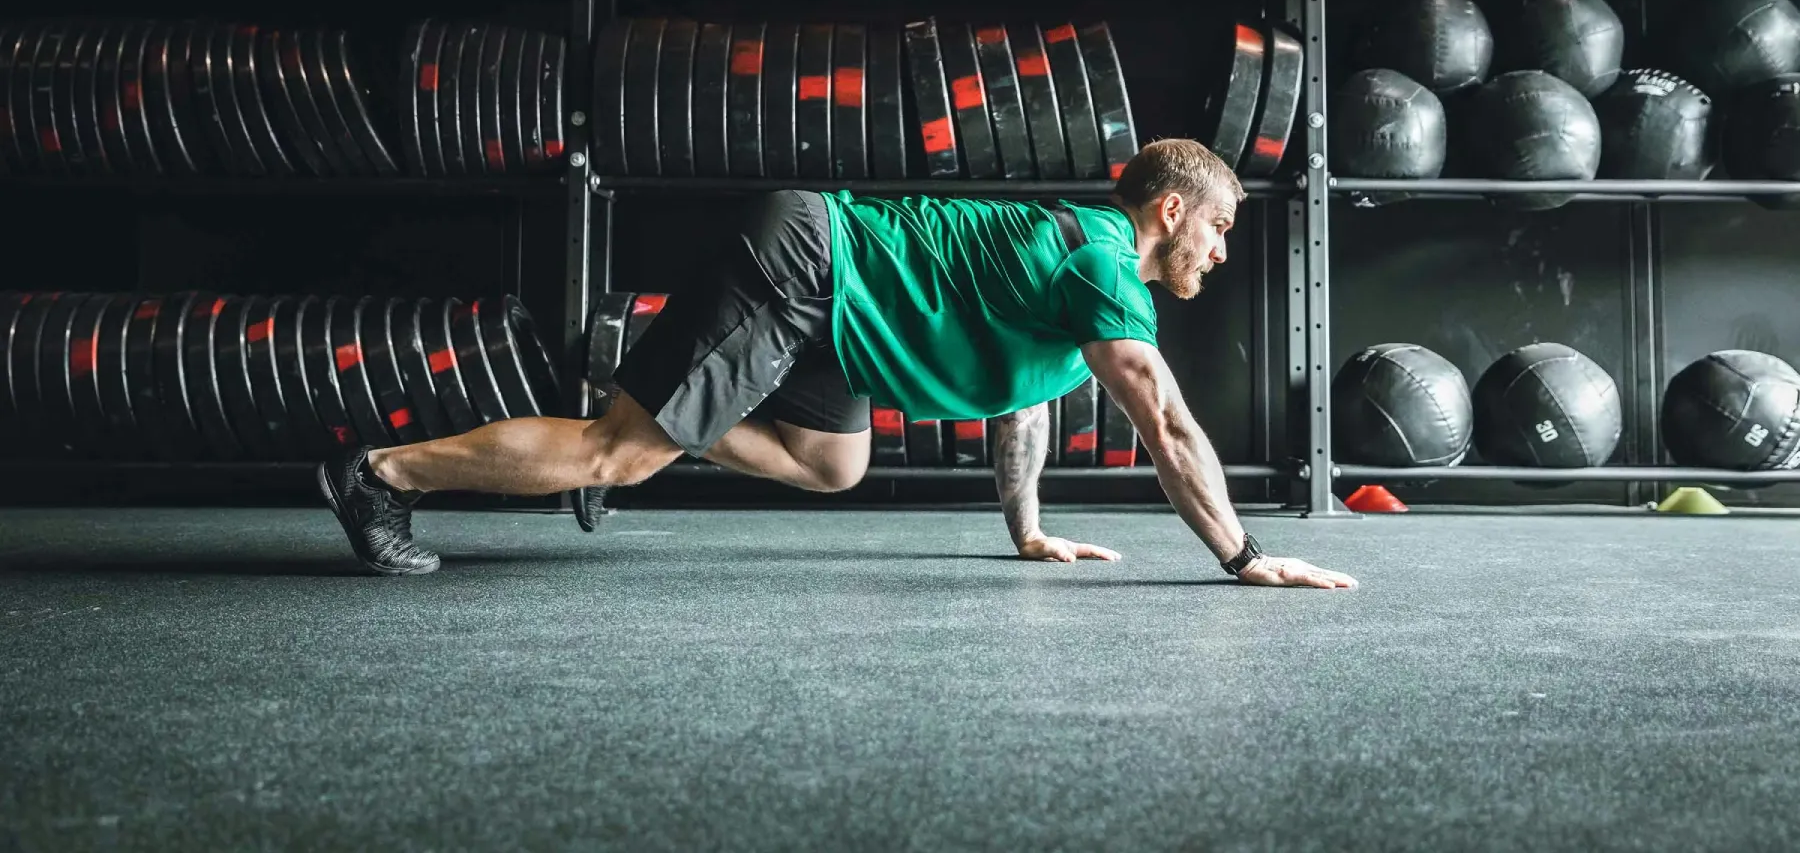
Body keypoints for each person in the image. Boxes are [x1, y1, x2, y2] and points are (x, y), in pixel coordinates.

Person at [317, 137, 1357, 589]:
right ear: (1169, 210)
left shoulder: (1086, 281)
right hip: (814, 261)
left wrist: (1030, 532)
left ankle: (627, 371)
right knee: (622, 455)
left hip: (842, 319)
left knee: (831, 464)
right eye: (1218, 229)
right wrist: (1243, 554)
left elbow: (1022, 402)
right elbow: (1167, 423)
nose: (1220, 253)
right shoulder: (1104, 270)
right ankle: (379, 476)